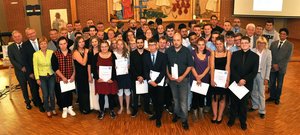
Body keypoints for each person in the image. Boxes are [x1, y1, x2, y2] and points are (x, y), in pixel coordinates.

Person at [228, 36, 259, 130]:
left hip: (247, 84)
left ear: (249, 44)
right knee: (233, 103)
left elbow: (254, 72)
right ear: (240, 44)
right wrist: (238, 80)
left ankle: (243, 122)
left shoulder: (255, 56)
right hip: (235, 83)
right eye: (242, 43)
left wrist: (244, 80)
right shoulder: (235, 54)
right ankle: (231, 120)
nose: (244, 44)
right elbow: (232, 68)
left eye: (246, 42)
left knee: (243, 105)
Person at [166, 33, 193, 130]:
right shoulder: (168, 51)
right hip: (172, 80)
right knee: (175, 99)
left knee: (183, 101)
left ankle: (184, 120)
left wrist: (182, 77)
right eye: (174, 40)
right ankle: (176, 114)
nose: (176, 42)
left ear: (181, 40)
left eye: (178, 40)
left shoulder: (186, 51)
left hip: (183, 80)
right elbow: (166, 65)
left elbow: (190, 66)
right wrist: (168, 75)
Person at [143, 38, 167, 128]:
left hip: (159, 83)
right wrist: (149, 81)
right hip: (150, 83)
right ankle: (156, 114)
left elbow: (163, 71)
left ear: (157, 45)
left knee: (160, 101)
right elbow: (145, 70)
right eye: (150, 45)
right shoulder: (146, 56)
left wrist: (156, 81)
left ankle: (158, 118)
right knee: (153, 100)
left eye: (153, 45)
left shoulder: (163, 56)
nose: (152, 47)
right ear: (148, 46)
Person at [267, 28, 294, 105]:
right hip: (272, 67)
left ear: (287, 35)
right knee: (271, 83)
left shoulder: (290, 45)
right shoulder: (273, 43)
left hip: (281, 68)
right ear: (279, 34)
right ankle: (272, 96)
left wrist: (279, 65)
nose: (282, 35)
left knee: (279, 84)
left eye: (284, 34)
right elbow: (270, 55)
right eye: (281, 34)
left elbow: (288, 58)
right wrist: (273, 64)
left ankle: (277, 98)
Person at [92, 41, 118, 119]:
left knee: (111, 96)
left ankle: (112, 110)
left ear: (108, 47)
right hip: (100, 80)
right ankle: (102, 111)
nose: (104, 48)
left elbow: (115, 68)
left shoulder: (113, 55)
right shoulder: (96, 56)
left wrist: (112, 78)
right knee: (101, 96)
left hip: (110, 80)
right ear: (100, 47)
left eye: (105, 46)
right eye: (102, 47)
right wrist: (97, 78)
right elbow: (93, 68)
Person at [51, 36, 76, 118]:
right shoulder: (55, 54)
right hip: (60, 79)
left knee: (69, 93)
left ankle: (70, 108)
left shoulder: (72, 53)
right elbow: (55, 68)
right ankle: (64, 109)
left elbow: (75, 66)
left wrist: (73, 76)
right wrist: (63, 77)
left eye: (64, 43)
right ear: (58, 45)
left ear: (67, 44)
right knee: (62, 94)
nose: (63, 45)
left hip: (70, 78)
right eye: (61, 44)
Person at [8, 30, 32, 109]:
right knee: (23, 87)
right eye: (15, 37)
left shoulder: (27, 44)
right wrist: (21, 67)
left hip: (29, 70)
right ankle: (27, 102)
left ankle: (35, 100)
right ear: (13, 38)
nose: (17, 38)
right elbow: (12, 60)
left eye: (19, 36)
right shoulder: (10, 47)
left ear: (21, 36)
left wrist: (26, 67)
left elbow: (30, 57)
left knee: (32, 86)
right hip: (19, 72)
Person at [210, 36, 231, 124]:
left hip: (223, 78)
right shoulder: (213, 52)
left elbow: (227, 66)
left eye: (220, 44)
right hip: (215, 77)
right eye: (217, 44)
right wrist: (212, 79)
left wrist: (227, 80)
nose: (218, 46)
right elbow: (212, 66)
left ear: (224, 43)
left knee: (222, 98)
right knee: (214, 97)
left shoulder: (228, 53)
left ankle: (220, 116)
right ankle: (215, 115)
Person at [33, 37, 56, 118]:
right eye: (41, 43)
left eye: (45, 43)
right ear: (39, 45)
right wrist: (37, 78)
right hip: (41, 77)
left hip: (51, 75)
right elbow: (35, 67)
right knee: (45, 94)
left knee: (52, 94)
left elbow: (54, 64)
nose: (43, 45)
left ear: (47, 44)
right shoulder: (36, 54)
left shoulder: (51, 52)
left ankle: (53, 108)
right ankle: (48, 109)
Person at [23, 28, 44, 112]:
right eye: (29, 34)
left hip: (43, 71)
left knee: (45, 88)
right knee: (34, 90)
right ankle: (39, 104)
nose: (31, 35)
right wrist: (30, 73)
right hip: (32, 72)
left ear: (35, 32)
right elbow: (25, 60)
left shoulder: (41, 41)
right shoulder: (24, 45)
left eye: (32, 33)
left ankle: (46, 102)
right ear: (27, 35)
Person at [250, 36, 272, 119]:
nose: (261, 44)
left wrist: (267, 78)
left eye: (263, 43)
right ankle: (255, 106)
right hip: (253, 74)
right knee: (253, 91)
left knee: (261, 93)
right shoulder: (252, 51)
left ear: (265, 44)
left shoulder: (268, 52)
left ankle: (262, 110)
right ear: (257, 43)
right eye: (259, 42)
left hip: (262, 75)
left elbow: (269, 66)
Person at [130, 37, 152, 117]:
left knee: (146, 95)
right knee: (135, 95)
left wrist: (143, 77)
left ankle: (147, 109)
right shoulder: (132, 54)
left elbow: (149, 66)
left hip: (145, 78)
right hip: (135, 78)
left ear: (143, 43)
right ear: (136, 44)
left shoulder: (148, 53)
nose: (139, 44)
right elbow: (132, 67)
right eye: (138, 42)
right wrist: (137, 77)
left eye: (141, 42)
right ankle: (135, 110)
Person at [190, 38, 210, 120]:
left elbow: (209, 66)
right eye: (199, 44)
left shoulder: (208, 53)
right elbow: (191, 66)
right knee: (195, 96)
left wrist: (202, 76)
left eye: (203, 44)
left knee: (202, 95)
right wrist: (197, 77)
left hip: (204, 77)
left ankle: (201, 111)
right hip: (195, 77)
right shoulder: (192, 53)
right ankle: (194, 112)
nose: (201, 46)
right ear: (196, 45)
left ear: (205, 45)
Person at [73, 36, 90, 114]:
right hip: (80, 74)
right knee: (82, 91)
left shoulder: (85, 50)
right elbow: (83, 63)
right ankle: (83, 108)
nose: (82, 43)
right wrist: (86, 53)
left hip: (87, 73)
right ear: (77, 43)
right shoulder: (76, 52)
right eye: (79, 42)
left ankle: (88, 107)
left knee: (87, 90)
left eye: (83, 41)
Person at [114, 39, 131, 115]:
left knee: (127, 91)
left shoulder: (127, 53)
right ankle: (121, 107)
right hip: (118, 75)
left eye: (121, 44)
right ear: (116, 45)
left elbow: (129, 64)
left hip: (126, 74)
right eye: (118, 44)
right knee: (120, 92)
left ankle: (127, 107)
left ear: (124, 45)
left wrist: (127, 66)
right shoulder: (114, 54)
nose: (120, 46)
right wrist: (115, 67)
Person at [87, 36, 101, 111]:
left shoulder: (102, 50)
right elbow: (88, 64)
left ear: (98, 42)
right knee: (93, 90)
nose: (94, 43)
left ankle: (102, 105)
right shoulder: (89, 52)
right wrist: (89, 75)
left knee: (101, 90)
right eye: (92, 42)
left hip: (101, 74)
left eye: (95, 41)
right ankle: (95, 106)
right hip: (92, 73)